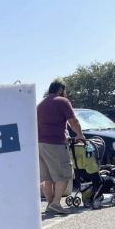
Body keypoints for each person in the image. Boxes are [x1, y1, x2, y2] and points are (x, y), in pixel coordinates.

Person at [37, 78, 86, 214]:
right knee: (64, 175)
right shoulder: (62, 101)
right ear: (60, 89)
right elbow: (73, 121)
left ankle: (49, 204)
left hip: (40, 144)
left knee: (47, 178)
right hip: (55, 144)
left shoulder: (41, 104)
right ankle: (57, 203)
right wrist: (80, 135)